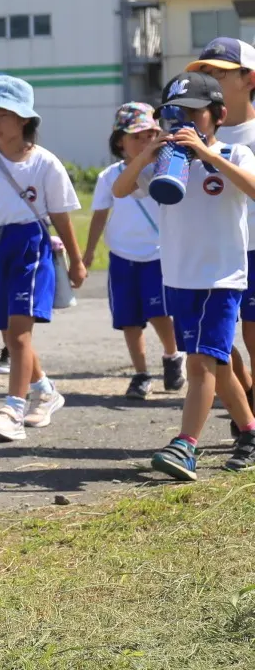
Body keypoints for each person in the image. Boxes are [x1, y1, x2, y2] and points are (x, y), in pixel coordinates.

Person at [115, 73, 255, 478]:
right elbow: (122, 189)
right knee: (219, 362)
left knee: (199, 365)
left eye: (195, 113)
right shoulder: (165, 164)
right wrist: (147, 154)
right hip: (178, 278)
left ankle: (185, 445)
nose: (185, 122)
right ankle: (249, 431)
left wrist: (208, 156)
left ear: (218, 115)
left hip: (221, 279)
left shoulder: (235, 153)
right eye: (176, 114)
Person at [0, 75, 86, 443]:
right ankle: (45, 390)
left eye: (1, 115)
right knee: (10, 332)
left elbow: (60, 216)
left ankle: (13, 411)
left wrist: (76, 259)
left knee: (19, 335)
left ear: (24, 119)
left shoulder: (45, 164)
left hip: (30, 247)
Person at [84, 103, 182, 400]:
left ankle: (172, 355)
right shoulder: (108, 176)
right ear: (119, 141)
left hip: (157, 254)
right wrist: (86, 255)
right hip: (122, 257)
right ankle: (140, 374)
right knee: (128, 318)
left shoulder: (165, 170)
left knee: (159, 312)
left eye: (149, 134)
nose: (143, 141)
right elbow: (100, 215)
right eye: (136, 136)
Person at [184, 37, 255, 417]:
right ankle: (245, 403)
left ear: (249, 78)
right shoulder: (201, 133)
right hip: (215, 253)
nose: (210, 79)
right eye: (204, 73)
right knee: (218, 343)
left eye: (220, 73)